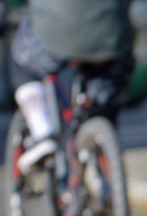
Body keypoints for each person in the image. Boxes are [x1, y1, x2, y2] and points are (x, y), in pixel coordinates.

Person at [9, 0, 136, 174]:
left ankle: (42, 132)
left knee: (22, 57)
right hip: (109, 39)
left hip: (56, 36)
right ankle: (99, 144)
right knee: (108, 85)